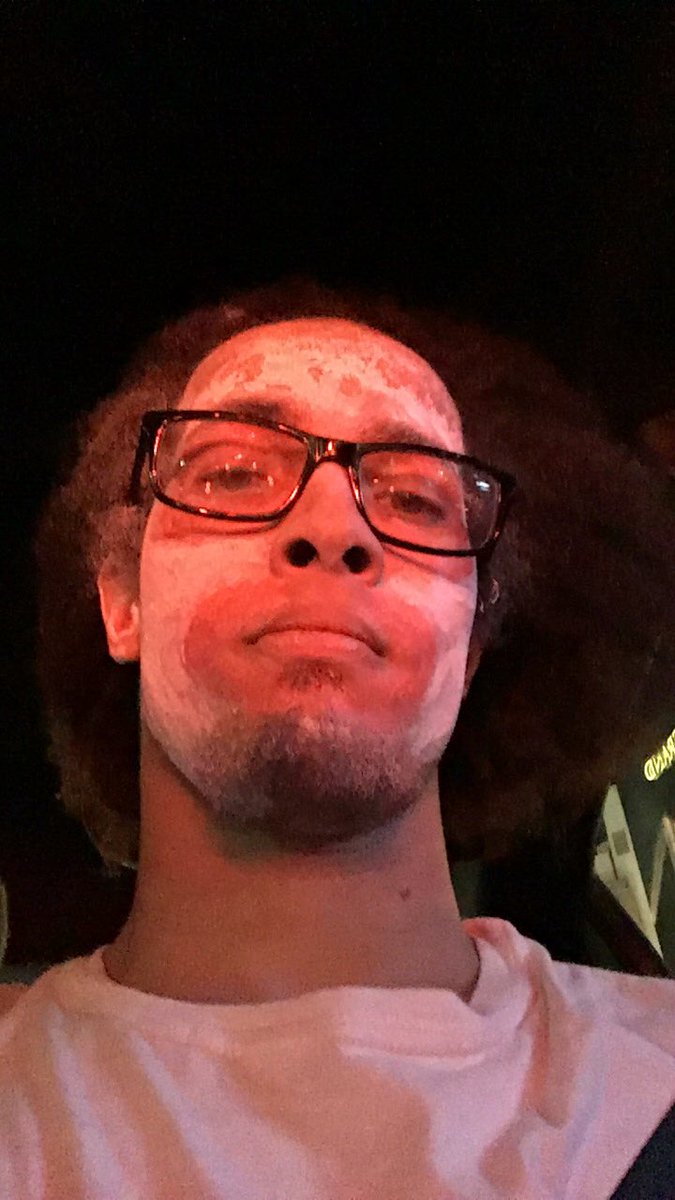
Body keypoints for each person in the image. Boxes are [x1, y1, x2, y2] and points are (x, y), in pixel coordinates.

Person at [2, 280, 674, 1198]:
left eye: (413, 498)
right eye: (233, 471)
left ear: (469, 649)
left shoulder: (649, 1076)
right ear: (122, 602)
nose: (331, 527)